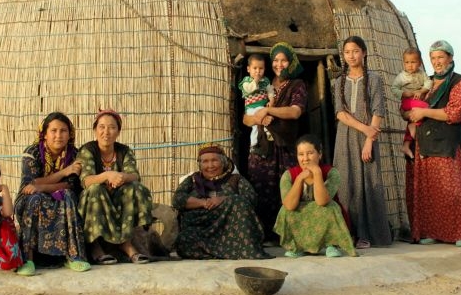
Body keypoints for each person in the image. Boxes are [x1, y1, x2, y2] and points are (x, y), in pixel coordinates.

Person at [406, 40, 461, 247]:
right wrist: (409, 113)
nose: (437, 62)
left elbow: (454, 113)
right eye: (433, 58)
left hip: (446, 143)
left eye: (441, 57)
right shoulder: (426, 83)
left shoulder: (458, 83)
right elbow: (409, 104)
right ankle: (431, 231)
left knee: (452, 190)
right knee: (429, 192)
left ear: (450, 58)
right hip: (424, 143)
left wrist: (424, 112)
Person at [244, 42, 307, 243]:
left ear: (291, 62)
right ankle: (264, 236)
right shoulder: (262, 83)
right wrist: (258, 118)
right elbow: (246, 118)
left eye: (284, 60)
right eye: (276, 60)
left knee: (287, 190)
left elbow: (295, 111)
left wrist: (269, 110)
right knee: (261, 190)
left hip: (285, 146)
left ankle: (288, 236)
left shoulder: (297, 85)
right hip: (262, 147)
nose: (279, 64)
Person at [332, 36, 393, 249]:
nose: (351, 56)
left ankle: (366, 234)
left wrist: (369, 139)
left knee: (368, 183)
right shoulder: (339, 82)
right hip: (345, 138)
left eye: (356, 51)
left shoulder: (374, 79)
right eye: (347, 52)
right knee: (346, 183)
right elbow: (340, 113)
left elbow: (378, 111)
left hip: (368, 138)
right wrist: (365, 128)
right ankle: (347, 233)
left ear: (364, 53)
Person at [14, 112, 90, 276]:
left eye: (63, 131)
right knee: (35, 198)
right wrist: (65, 171)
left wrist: (43, 186)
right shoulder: (32, 153)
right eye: (53, 131)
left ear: (69, 134)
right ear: (45, 134)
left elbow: (71, 185)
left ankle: (74, 256)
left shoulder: (75, 154)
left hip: (61, 196)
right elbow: (30, 184)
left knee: (68, 195)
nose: (58, 135)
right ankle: (28, 259)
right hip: (28, 199)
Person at [76, 109, 154, 264]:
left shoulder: (124, 151)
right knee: (95, 189)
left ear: (118, 131)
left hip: (117, 197)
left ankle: (126, 245)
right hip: (93, 200)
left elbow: (134, 175)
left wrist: (122, 177)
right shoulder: (88, 150)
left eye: (112, 127)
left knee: (135, 188)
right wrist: (107, 175)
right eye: (102, 127)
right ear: (95, 130)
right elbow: (86, 180)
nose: (106, 132)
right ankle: (95, 246)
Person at [172, 143, 272, 259]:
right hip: (201, 232)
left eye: (214, 160)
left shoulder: (236, 179)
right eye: (205, 161)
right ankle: (230, 252)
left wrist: (223, 200)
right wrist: (204, 202)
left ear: (223, 162)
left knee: (238, 201)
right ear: (200, 165)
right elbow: (177, 200)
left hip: (231, 234)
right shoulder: (192, 180)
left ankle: (224, 252)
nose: (210, 165)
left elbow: (251, 198)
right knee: (183, 241)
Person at [274, 134, 356, 258]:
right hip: (300, 217)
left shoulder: (331, 173)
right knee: (285, 210)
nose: (305, 159)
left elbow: (322, 201)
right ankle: (297, 246)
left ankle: (331, 244)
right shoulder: (289, 175)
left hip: (324, 214)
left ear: (320, 154)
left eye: (310, 153)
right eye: (301, 154)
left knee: (330, 207)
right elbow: (290, 205)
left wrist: (317, 173)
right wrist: (300, 179)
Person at [391, 47, 432, 159]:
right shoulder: (401, 77)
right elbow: (394, 89)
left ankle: (406, 145)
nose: (410, 65)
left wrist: (422, 91)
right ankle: (414, 127)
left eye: (413, 62)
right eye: (407, 62)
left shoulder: (422, 74)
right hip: (407, 102)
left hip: (416, 102)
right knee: (427, 108)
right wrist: (405, 93)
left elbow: (429, 83)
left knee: (416, 119)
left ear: (419, 63)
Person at [238, 53, 275, 152]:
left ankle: (264, 136)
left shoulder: (266, 80)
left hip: (262, 107)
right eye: (255, 68)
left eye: (261, 68)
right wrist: (256, 81)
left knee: (263, 121)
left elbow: (270, 90)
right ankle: (254, 143)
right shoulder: (246, 81)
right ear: (248, 69)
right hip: (251, 108)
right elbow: (249, 89)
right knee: (255, 126)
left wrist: (271, 100)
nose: (258, 71)